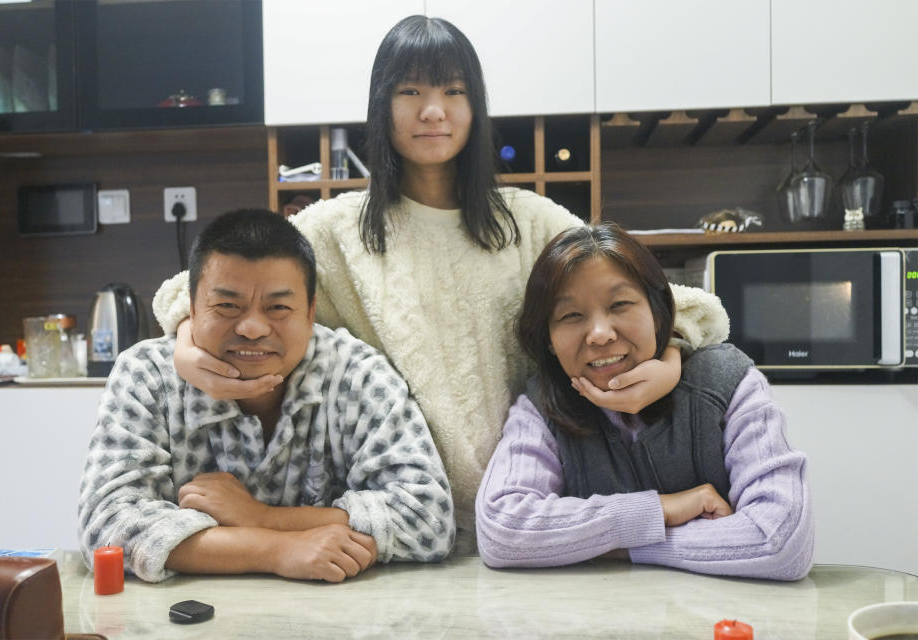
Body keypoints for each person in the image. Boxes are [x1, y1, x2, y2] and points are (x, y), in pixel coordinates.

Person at [151, 15, 729, 551]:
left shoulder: (530, 221)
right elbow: (203, 284)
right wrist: (184, 340)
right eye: (412, 92)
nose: (434, 111)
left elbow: (671, 303)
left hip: (538, 514)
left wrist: (672, 354)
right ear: (382, 106)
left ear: (476, 107)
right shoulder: (335, 230)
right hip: (393, 525)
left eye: (454, 92)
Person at [78, 209, 454, 584]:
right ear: (190, 309)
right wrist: (276, 549)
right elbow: (106, 526)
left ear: (310, 313)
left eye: (278, 308)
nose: (253, 328)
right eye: (227, 306)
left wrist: (261, 517)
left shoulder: (356, 374)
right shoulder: (147, 377)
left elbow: (429, 519)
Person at [475, 223, 813, 580]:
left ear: (658, 312)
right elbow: (502, 531)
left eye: (620, 304)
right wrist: (661, 509)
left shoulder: (728, 383)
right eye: (571, 315)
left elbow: (781, 540)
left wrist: (624, 545)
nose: (600, 334)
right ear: (547, 339)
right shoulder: (542, 407)